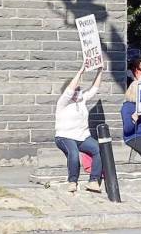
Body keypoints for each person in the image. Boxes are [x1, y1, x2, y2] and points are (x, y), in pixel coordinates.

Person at [54, 65, 104, 193]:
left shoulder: (82, 100)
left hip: (82, 136)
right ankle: (72, 181)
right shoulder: (63, 102)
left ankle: (93, 180)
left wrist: (99, 71)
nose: (77, 93)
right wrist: (80, 72)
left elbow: (94, 88)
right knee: (74, 153)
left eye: (79, 90)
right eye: (75, 91)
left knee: (99, 149)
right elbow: (69, 90)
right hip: (64, 136)